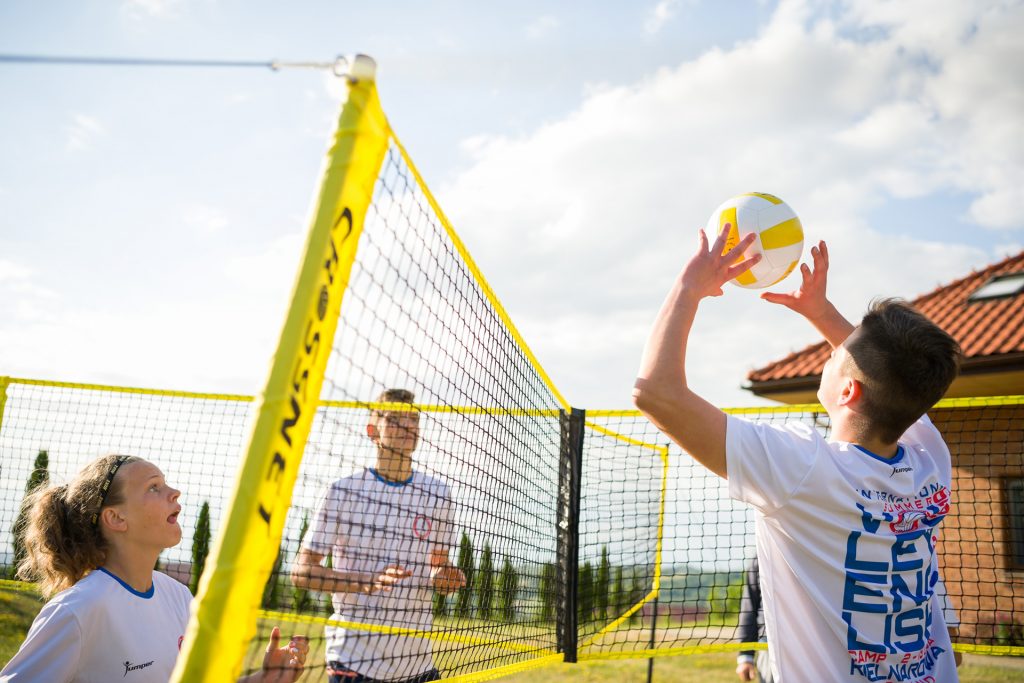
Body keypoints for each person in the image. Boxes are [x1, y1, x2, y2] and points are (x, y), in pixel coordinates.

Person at [634, 228, 962, 682]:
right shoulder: (929, 460)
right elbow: (898, 380)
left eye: (835, 356)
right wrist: (821, 312)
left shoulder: (804, 469)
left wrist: (689, 287)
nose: (830, 353)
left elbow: (655, 393)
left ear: (848, 390)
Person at [0, 453, 308, 682]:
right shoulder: (78, 610)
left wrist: (265, 678)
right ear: (116, 519)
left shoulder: (177, 595)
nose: (174, 492)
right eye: (153, 487)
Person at [291, 388, 466, 683]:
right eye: (396, 419)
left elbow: (437, 565)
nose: (408, 426)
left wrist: (446, 579)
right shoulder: (343, 491)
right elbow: (301, 572)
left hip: (418, 663)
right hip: (355, 661)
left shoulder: (439, 494)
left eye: (413, 419)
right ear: (373, 431)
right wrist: (367, 582)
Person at [736, 556, 773, 683]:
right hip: (770, 642)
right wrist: (745, 656)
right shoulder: (762, 555)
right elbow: (749, 605)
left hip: (815, 642)